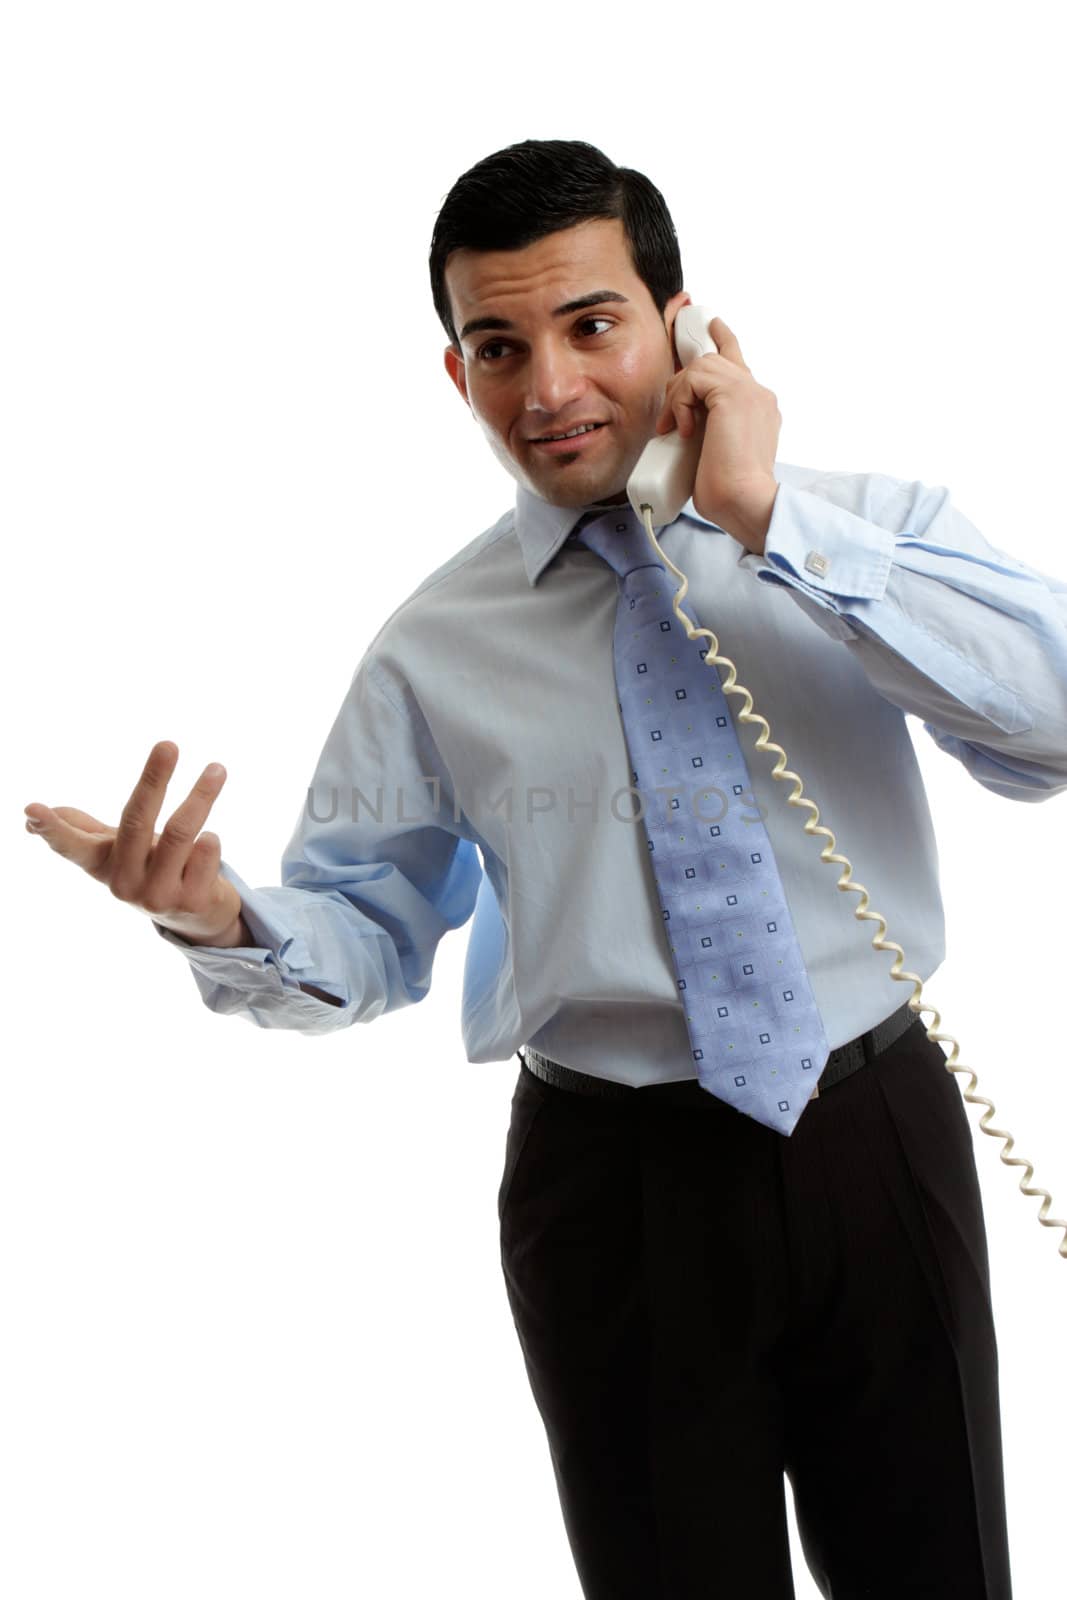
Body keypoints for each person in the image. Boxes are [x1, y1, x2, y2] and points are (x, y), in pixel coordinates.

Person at [24, 138, 1067, 1598]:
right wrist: (224, 918)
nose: (549, 388)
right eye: (498, 347)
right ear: (457, 377)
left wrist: (771, 523)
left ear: (684, 327)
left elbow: (1055, 718)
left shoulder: (861, 532)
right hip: (613, 1183)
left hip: (872, 1131)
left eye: (591, 325)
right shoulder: (433, 644)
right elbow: (368, 931)